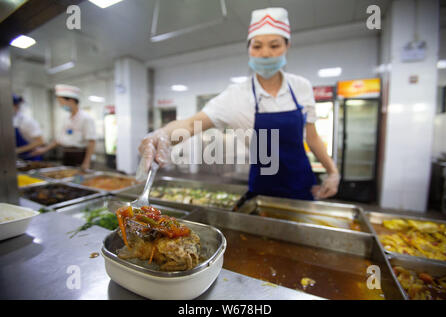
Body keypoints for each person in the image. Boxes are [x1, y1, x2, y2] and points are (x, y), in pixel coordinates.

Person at [138, 7, 340, 200]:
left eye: (275, 45)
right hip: (262, 188)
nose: (266, 53)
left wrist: (332, 172)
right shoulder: (235, 96)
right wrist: (162, 135)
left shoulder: (301, 87)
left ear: (287, 46)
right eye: (257, 46)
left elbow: (312, 138)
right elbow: (191, 124)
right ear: (249, 49)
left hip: (302, 184)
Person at [31, 84, 96, 170]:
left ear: (71, 100)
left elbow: (91, 142)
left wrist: (86, 163)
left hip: (79, 155)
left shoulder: (86, 118)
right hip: (66, 154)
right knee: (67, 178)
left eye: (61, 102)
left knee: (78, 180)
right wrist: (44, 149)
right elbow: (59, 140)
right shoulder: (66, 118)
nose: (60, 105)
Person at [12, 94, 45, 161]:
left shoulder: (26, 121)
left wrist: (18, 150)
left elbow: (40, 141)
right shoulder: (9, 121)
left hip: (31, 157)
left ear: (16, 106)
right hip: (16, 158)